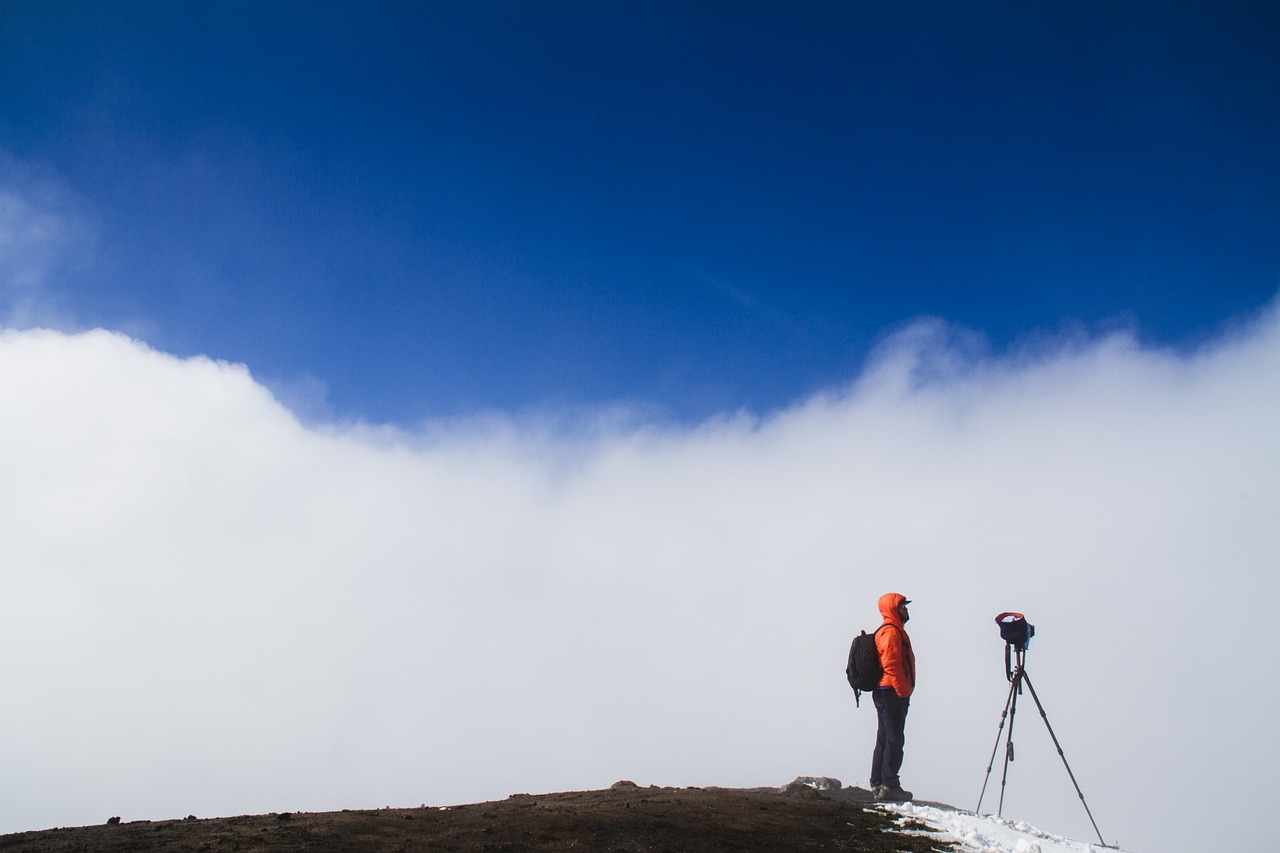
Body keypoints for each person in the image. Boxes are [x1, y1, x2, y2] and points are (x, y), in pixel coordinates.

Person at [870, 592, 916, 802]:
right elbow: (891, 664)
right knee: (894, 739)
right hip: (891, 692)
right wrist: (902, 690)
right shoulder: (891, 632)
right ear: (893, 609)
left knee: (885, 738)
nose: (906, 610)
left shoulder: (892, 630)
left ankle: (878, 782)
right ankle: (889, 785)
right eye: (903, 606)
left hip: (886, 691)